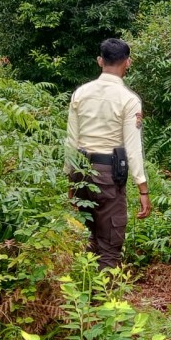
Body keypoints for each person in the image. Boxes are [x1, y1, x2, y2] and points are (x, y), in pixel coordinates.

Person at [66, 38, 151, 270]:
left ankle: (83, 290)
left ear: (100, 61)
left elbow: (71, 140)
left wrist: (70, 180)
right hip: (108, 177)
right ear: (128, 63)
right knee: (110, 244)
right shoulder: (129, 100)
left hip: (81, 170)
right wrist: (142, 188)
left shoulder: (80, 93)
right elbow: (133, 149)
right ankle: (104, 299)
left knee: (89, 235)